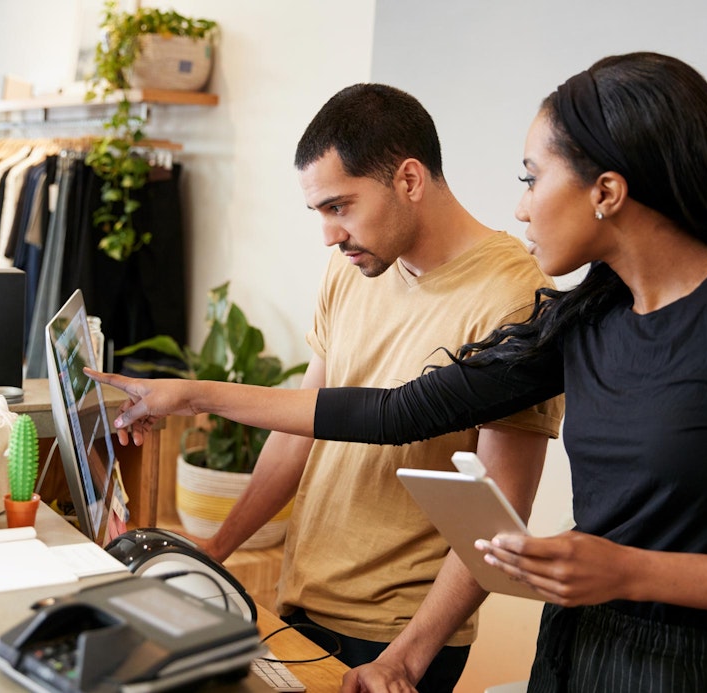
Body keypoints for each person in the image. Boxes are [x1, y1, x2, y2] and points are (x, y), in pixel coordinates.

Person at [87, 52, 707, 692]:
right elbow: (393, 412)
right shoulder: (585, 322)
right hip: (582, 650)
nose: (521, 205)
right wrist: (189, 396)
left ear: (607, 191)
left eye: (531, 177)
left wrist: (632, 571)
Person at [129, 83, 563, 692]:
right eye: (321, 213)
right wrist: (216, 547)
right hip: (303, 598)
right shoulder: (354, 267)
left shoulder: (513, 296)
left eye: (341, 206)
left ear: (409, 180)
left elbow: (497, 514)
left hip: (397, 631)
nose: (330, 235)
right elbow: (298, 431)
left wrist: (407, 658)